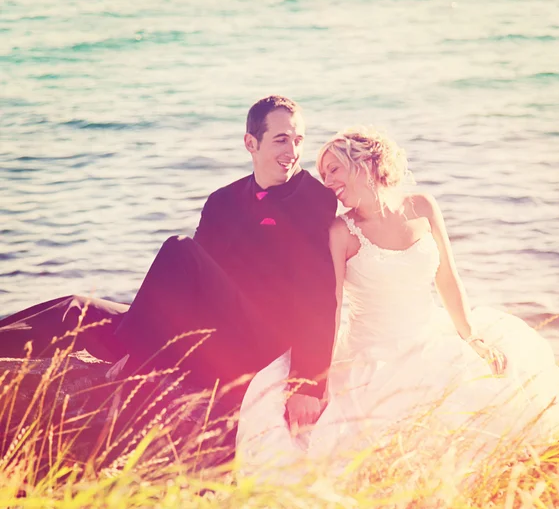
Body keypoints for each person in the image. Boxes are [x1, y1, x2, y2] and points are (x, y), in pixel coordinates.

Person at [236, 126, 559, 480]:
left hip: (431, 336)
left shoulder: (422, 206)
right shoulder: (341, 231)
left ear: (365, 163)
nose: (327, 182)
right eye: (323, 173)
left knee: (507, 383)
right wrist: (317, 381)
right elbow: (328, 308)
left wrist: (470, 336)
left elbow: (448, 279)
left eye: (334, 170)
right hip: (371, 351)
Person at [0, 96, 338, 460]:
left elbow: (319, 296)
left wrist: (307, 383)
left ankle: (133, 357)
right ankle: (129, 343)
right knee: (74, 308)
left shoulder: (315, 201)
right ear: (250, 143)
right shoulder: (222, 200)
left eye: (298, 140)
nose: (292, 151)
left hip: (258, 342)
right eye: (282, 139)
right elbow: (196, 278)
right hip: (208, 332)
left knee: (179, 248)